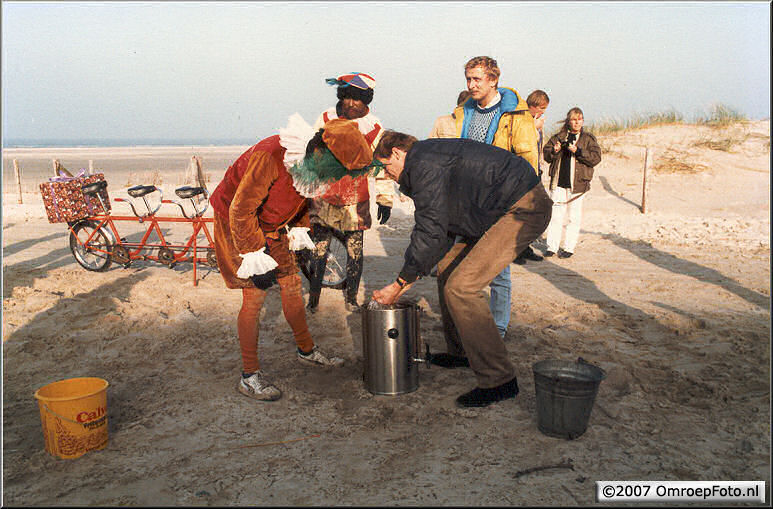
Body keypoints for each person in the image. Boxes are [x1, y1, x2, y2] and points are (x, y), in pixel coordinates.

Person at [371, 131, 552, 408]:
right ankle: (462, 353)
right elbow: (441, 231)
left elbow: (429, 230)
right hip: (492, 211)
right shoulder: (428, 159)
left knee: (462, 288)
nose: (388, 174)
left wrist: (399, 283)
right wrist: (408, 278)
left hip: (523, 208)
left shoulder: (423, 165)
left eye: (386, 166)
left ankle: (500, 380)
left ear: (397, 153)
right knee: (447, 267)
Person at [209, 114, 377, 401]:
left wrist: (300, 231)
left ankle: (306, 350)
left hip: (273, 224)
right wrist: (253, 253)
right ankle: (249, 376)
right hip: (237, 222)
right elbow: (241, 210)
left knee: (291, 284)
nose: (336, 179)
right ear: (321, 153)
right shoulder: (272, 156)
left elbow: (301, 197)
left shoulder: (311, 166)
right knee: (254, 296)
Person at [453, 56, 539, 338]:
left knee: (499, 270)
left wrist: (516, 201)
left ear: (493, 80)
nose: (471, 84)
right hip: (468, 200)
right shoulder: (463, 113)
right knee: (461, 263)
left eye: (477, 79)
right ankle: (468, 324)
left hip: (500, 200)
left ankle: (498, 329)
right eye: (468, 78)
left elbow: (528, 160)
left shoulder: (515, 115)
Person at [307, 72, 394, 313]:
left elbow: (382, 164)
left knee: (355, 252)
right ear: (341, 96)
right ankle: (313, 299)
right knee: (319, 250)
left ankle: (351, 298)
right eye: (348, 98)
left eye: (358, 99)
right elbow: (310, 153)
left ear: (366, 101)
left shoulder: (375, 127)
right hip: (324, 196)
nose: (352, 104)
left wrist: (384, 199)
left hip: (356, 199)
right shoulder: (325, 118)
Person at [543, 107, 602, 258]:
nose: (577, 122)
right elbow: (546, 155)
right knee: (556, 215)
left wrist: (579, 151)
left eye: (580, 119)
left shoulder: (588, 139)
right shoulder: (559, 136)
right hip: (559, 182)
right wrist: (554, 151)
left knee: (573, 217)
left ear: (583, 121)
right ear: (568, 121)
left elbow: (595, 158)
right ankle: (552, 247)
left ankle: (569, 248)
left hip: (578, 183)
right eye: (574, 119)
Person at [514, 89, 551, 265]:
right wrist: (533, 129)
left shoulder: (535, 121)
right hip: (522, 174)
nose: (543, 112)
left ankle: (525, 247)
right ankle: (517, 251)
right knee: (521, 213)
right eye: (542, 108)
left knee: (532, 213)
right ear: (534, 106)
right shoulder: (523, 121)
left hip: (535, 171)